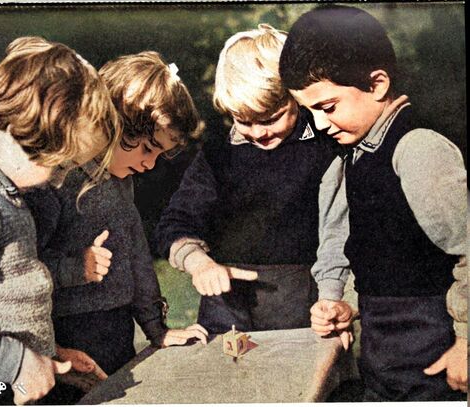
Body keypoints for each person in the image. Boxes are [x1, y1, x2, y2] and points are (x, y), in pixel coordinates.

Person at [279, 5, 467, 401]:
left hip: (434, 347)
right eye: (310, 112)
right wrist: (349, 308)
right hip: (383, 350)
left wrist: (466, 343)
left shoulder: (417, 148)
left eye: (328, 107)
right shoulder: (355, 155)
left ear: (377, 84)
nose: (321, 124)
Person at [23, 51, 208, 394]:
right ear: (116, 123)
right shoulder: (57, 179)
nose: (150, 164)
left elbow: (136, 253)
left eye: (159, 154)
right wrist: (76, 268)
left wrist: (157, 328)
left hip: (117, 329)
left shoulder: (121, 180)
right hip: (61, 336)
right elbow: (18, 271)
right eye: (147, 148)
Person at [154, 24, 337, 335]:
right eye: (244, 121)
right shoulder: (217, 155)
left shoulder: (325, 145)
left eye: (271, 119)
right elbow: (176, 220)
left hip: (302, 301)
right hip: (225, 305)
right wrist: (197, 261)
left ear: (295, 97)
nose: (258, 132)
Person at [0, 36, 120, 405]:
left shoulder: (4, 193)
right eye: (58, 165)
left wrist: (49, 354)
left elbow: (3, 299)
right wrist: (13, 362)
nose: (58, 180)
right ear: (25, 132)